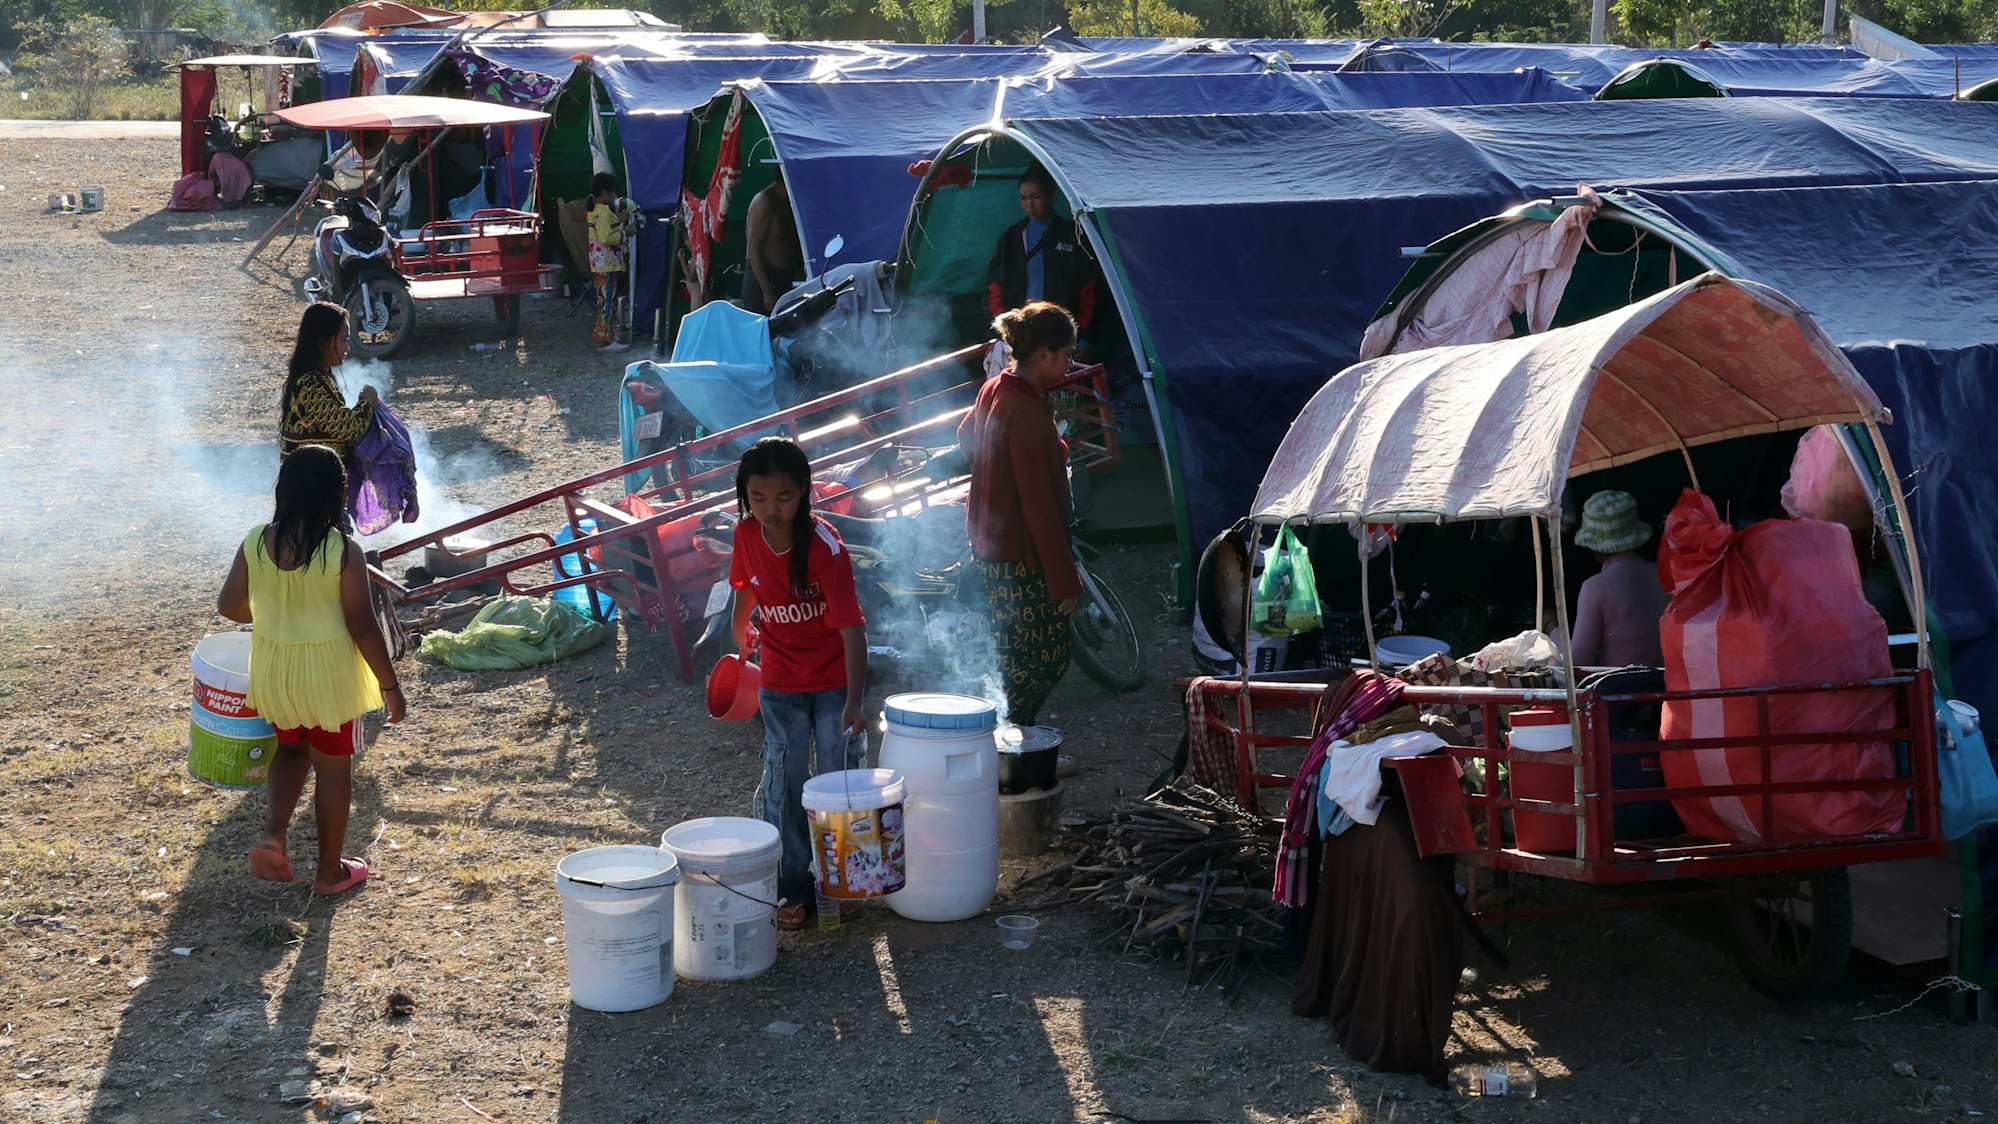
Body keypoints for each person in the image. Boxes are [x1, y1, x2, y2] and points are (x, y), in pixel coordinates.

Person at [217, 445, 406, 896]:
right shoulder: (342, 551)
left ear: (283, 490)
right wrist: (390, 685)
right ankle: (329, 873)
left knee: (292, 750)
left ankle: (273, 837)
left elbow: (229, 607)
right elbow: (362, 625)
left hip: (275, 670)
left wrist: (273, 614)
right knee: (334, 768)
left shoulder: (255, 541)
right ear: (337, 496)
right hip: (328, 676)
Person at [728, 436, 867, 929]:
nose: (771, 510)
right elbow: (744, 586)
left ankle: (844, 881)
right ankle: (790, 886)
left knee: (838, 782)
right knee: (783, 779)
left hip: (833, 682)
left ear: (804, 491)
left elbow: (853, 628)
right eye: (759, 498)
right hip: (781, 680)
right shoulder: (745, 535)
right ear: (746, 496)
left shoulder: (826, 547)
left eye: (783, 498)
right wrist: (740, 628)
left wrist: (855, 700)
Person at [960, 302, 1083, 726]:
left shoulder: (996, 387)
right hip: (1017, 553)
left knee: (1014, 648)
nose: (1071, 363)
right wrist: (1063, 576)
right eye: (1067, 354)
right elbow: (1040, 506)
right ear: (1044, 355)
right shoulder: (1028, 410)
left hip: (988, 545)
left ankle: (1009, 741)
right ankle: (1010, 734)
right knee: (1048, 656)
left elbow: (966, 436)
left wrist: (998, 471)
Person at [986, 166, 1099, 331]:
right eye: (1023, 198)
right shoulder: (1011, 238)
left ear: (1052, 196)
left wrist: (1085, 335)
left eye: (1035, 197)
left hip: (1061, 331)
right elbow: (994, 287)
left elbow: (1090, 289)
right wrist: (1004, 328)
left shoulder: (1074, 235)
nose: (1029, 204)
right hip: (1021, 331)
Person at [1570, 489, 1670, 668]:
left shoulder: (1595, 588)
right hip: (1662, 687)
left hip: (1616, 691)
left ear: (1595, 547)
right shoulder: (1664, 575)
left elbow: (1577, 663)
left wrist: (1551, 626)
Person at [280, 302, 375, 463]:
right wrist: (367, 402)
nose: (347, 349)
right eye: (344, 340)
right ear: (323, 341)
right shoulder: (311, 384)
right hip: (310, 482)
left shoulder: (319, 378)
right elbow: (348, 428)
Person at [742, 168, 804, 316]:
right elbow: (753, 250)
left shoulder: (789, 204)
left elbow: (791, 242)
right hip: (762, 279)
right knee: (761, 328)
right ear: (780, 183)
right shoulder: (764, 202)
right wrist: (766, 290)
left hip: (783, 276)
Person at [586, 172, 630, 349]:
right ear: (605, 192)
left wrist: (619, 221)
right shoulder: (603, 212)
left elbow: (603, 230)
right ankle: (608, 339)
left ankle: (602, 334)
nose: (614, 198)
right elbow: (606, 238)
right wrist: (626, 232)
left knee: (602, 299)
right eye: (613, 194)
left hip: (598, 263)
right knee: (609, 299)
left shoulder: (593, 211)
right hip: (608, 263)